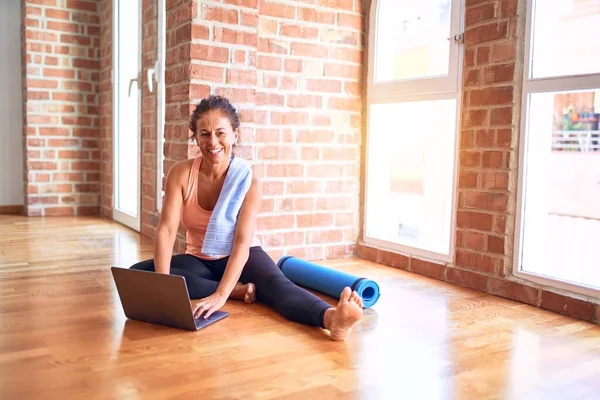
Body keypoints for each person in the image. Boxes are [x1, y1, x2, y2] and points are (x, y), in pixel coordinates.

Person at [130, 95, 363, 341]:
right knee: (141, 273)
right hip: (199, 257)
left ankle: (332, 318)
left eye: (221, 133)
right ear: (195, 138)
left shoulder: (249, 181)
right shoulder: (181, 173)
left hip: (243, 254)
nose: (213, 142)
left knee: (276, 285)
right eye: (205, 134)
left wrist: (219, 295)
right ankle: (237, 291)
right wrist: (165, 288)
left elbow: (242, 242)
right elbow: (166, 230)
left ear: (235, 135)